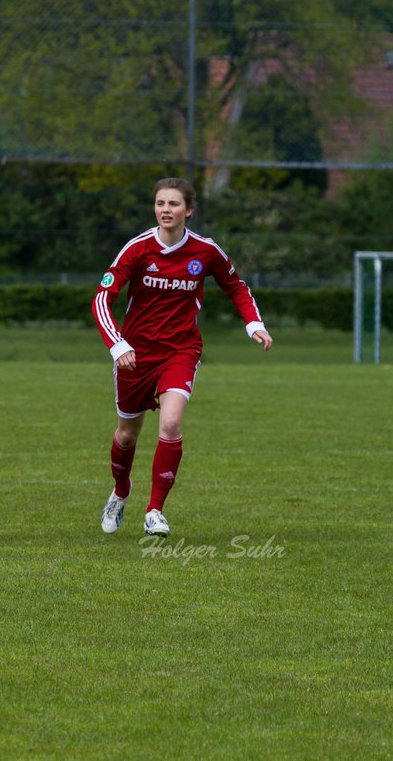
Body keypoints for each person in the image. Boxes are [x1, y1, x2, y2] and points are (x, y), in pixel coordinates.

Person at [92, 177, 273, 538]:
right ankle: (121, 491)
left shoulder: (205, 251)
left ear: (188, 210)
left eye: (174, 204)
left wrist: (254, 323)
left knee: (171, 424)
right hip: (135, 355)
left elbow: (235, 284)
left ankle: (155, 510)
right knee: (127, 435)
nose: (165, 210)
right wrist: (119, 345)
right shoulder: (137, 249)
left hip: (181, 350)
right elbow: (102, 298)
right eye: (160, 203)